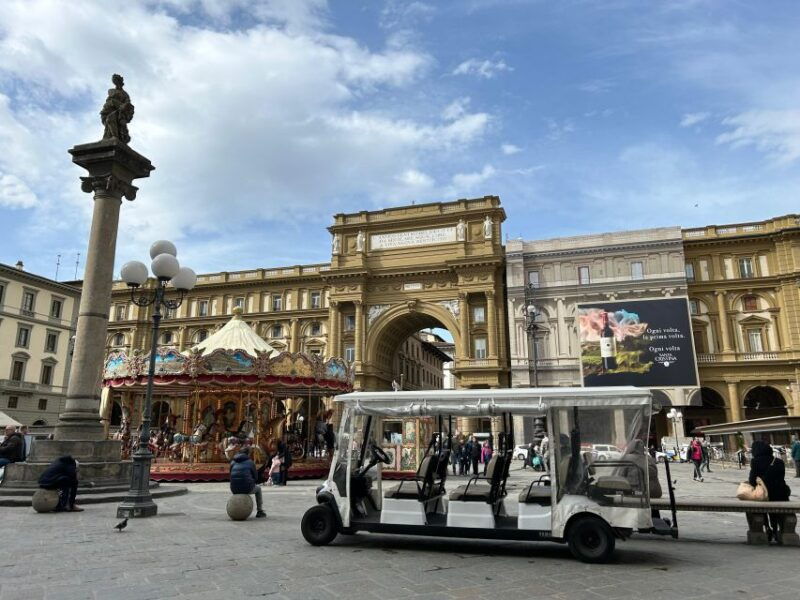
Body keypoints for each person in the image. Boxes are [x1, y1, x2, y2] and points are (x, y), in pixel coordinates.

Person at [749, 440, 791, 541]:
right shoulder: (778, 461)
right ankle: (776, 529)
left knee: (759, 507)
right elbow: (781, 478)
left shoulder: (755, 462)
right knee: (776, 509)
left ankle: (767, 528)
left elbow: (752, 480)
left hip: (763, 495)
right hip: (781, 495)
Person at [229, 448, 266, 518]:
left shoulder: (232, 462)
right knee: (258, 489)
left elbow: (230, 475)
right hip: (247, 488)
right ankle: (260, 511)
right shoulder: (250, 462)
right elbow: (256, 477)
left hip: (234, 488)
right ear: (248, 454)